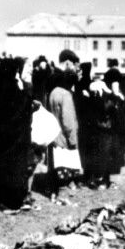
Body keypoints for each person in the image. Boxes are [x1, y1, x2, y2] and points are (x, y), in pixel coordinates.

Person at [0, 55, 36, 210]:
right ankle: (11, 202)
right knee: (12, 171)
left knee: (3, 170)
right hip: (13, 140)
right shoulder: (9, 87)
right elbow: (16, 112)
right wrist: (30, 105)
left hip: (1, 139)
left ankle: (8, 199)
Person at [46, 49, 81, 203]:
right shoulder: (65, 95)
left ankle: (53, 192)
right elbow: (68, 121)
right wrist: (73, 139)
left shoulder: (53, 92)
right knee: (64, 166)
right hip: (64, 136)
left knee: (55, 164)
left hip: (53, 133)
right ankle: (62, 193)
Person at [86, 68, 124, 189]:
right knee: (102, 154)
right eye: (115, 83)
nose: (116, 86)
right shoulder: (100, 91)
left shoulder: (111, 93)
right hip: (103, 128)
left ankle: (106, 179)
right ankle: (100, 180)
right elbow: (105, 108)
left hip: (110, 129)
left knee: (109, 155)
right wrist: (114, 96)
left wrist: (118, 97)